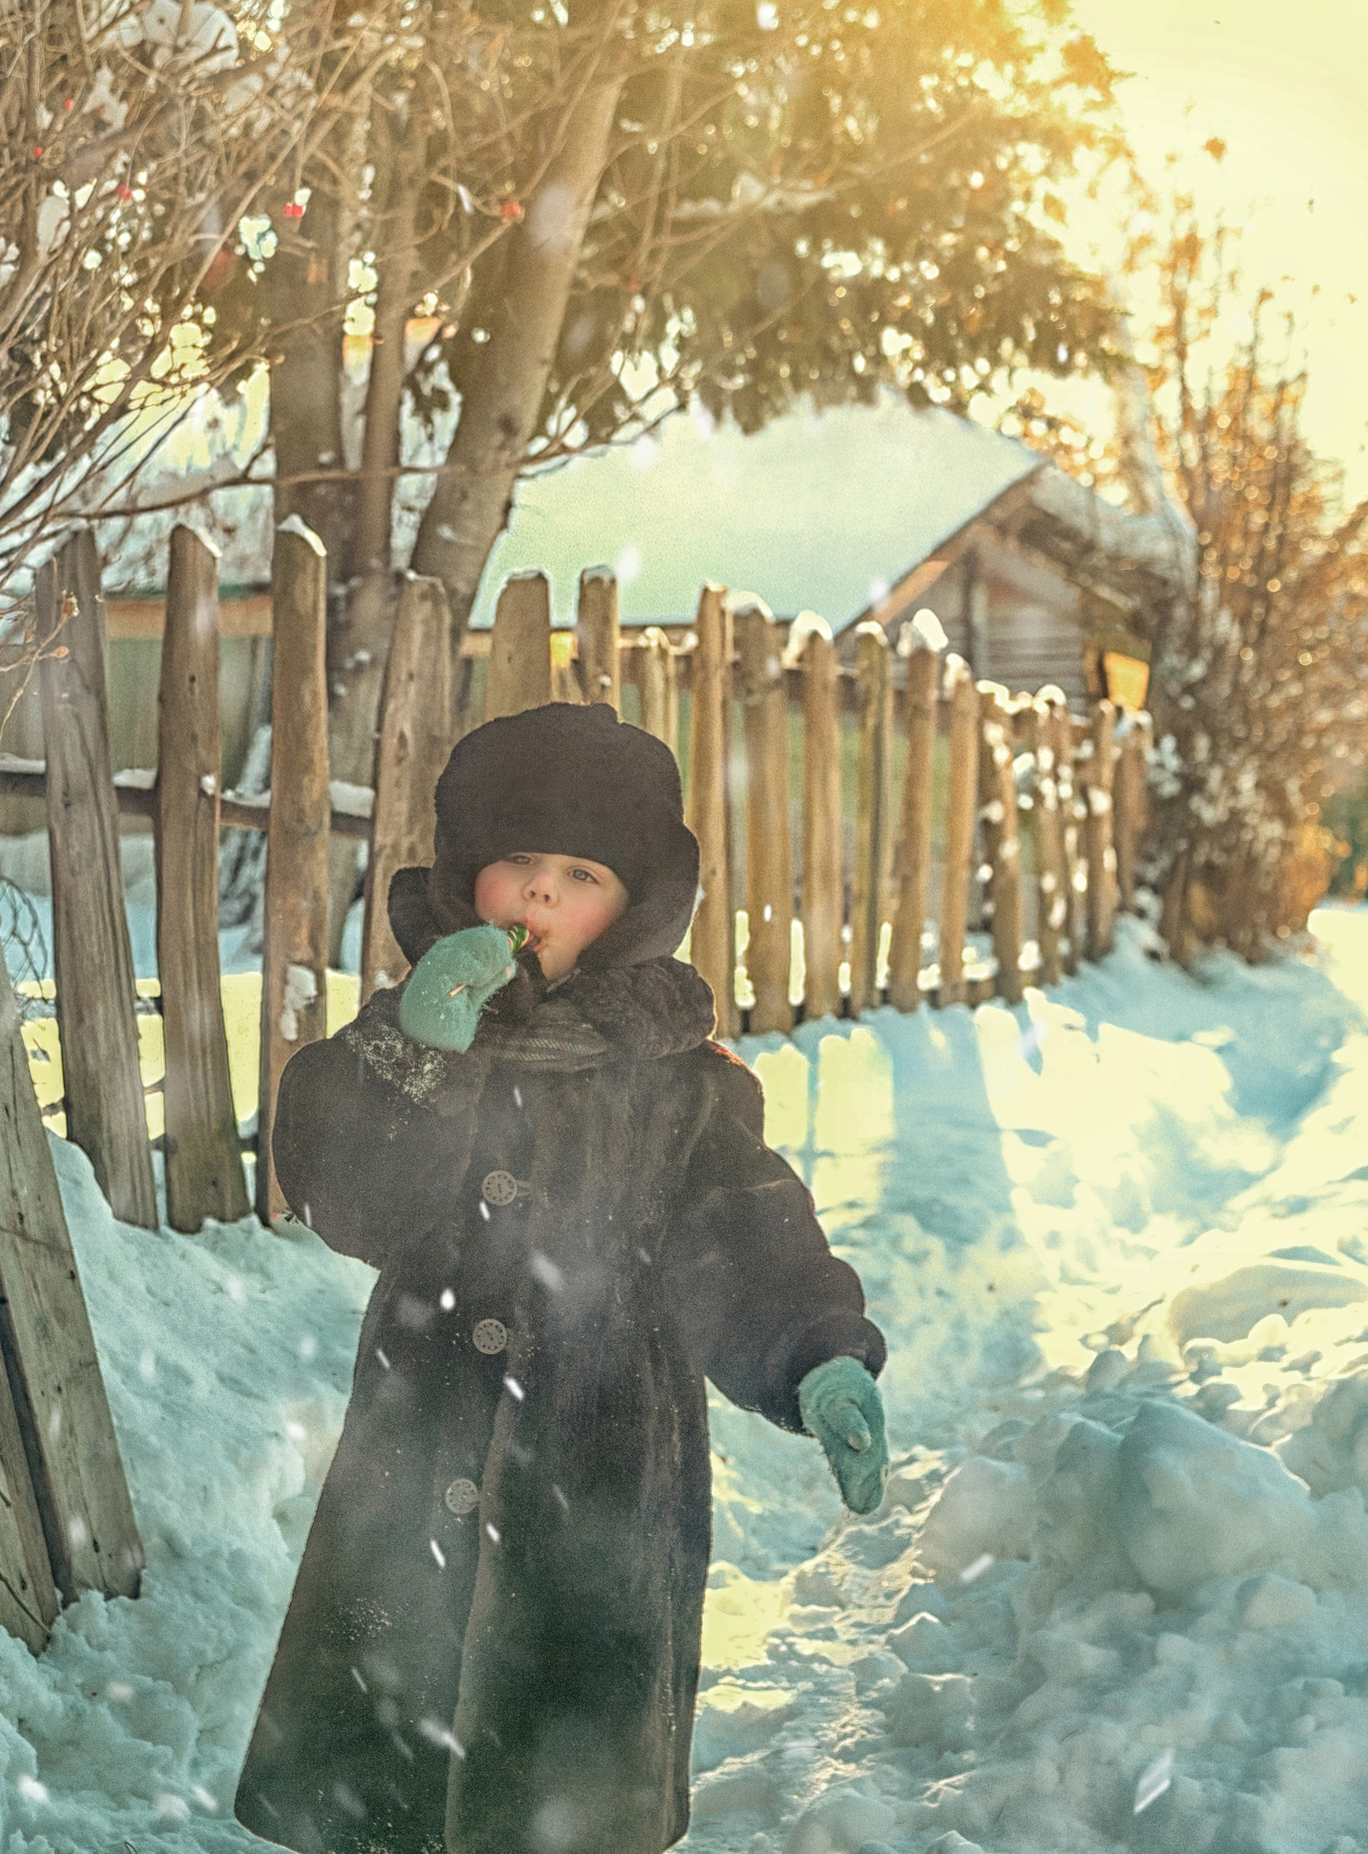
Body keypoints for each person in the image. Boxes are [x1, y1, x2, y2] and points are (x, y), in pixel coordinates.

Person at [237, 700, 888, 1854]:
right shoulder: (414, 1036)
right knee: (383, 1770)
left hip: (599, 1491)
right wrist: (416, 1058)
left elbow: (742, 1242)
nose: (540, 895)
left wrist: (817, 1355)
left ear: (633, 909)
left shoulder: (681, 1082)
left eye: (580, 873)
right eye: (517, 863)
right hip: (417, 1465)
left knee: (559, 1783)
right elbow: (343, 1197)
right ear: (467, 879)